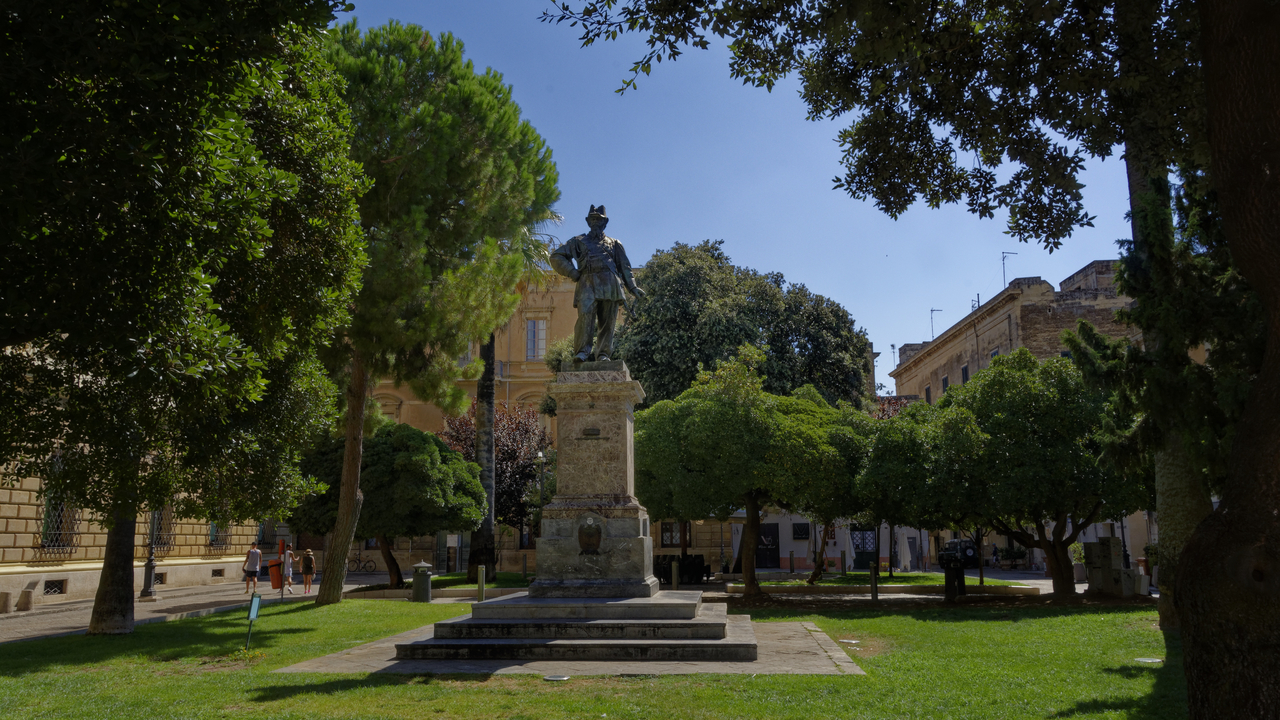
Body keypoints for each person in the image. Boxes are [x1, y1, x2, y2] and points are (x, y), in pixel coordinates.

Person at [549, 205, 645, 362]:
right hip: (587, 283)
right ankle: (582, 352)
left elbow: (624, 267)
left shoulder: (614, 244)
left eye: (598, 220)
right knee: (585, 317)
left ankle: (603, 354)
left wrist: (632, 287)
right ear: (588, 222)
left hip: (610, 284)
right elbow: (556, 257)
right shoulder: (577, 242)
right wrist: (572, 272)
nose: (595, 222)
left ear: (605, 223)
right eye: (592, 219)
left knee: (608, 321)